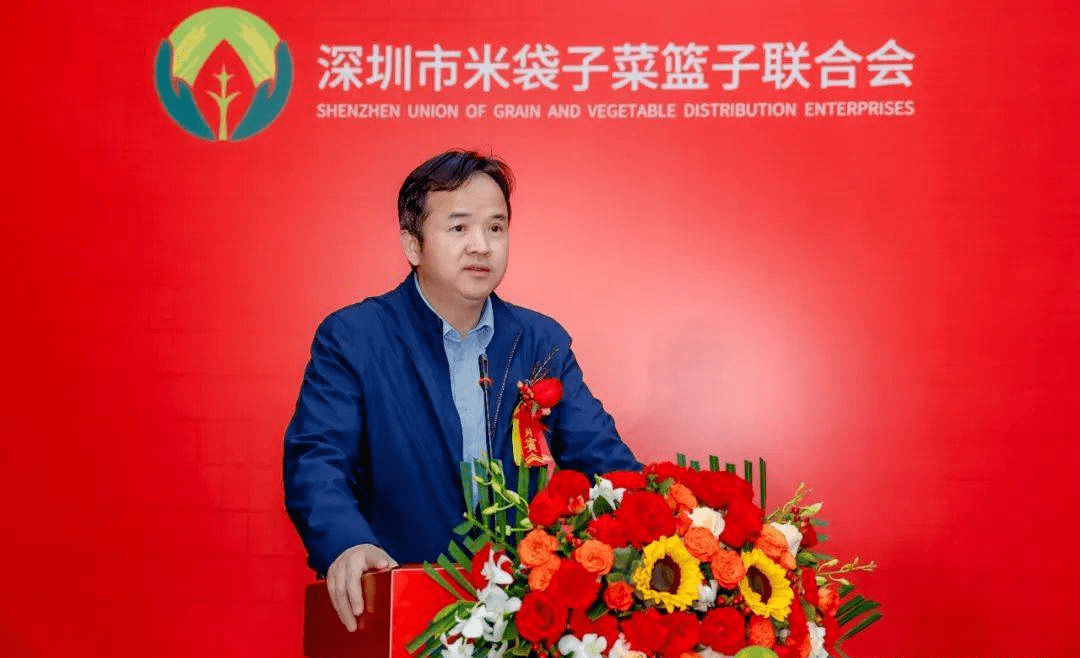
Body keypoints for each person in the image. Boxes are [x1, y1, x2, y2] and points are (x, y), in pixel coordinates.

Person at [283, 149, 639, 631]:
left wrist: (664, 520)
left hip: (518, 610)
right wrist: (346, 542)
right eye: (459, 228)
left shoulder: (539, 341)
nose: (481, 246)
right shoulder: (354, 337)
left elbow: (601, 456)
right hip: (402, 600)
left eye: (495, 227)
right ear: (413, 244)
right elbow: (317, 459)